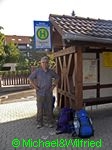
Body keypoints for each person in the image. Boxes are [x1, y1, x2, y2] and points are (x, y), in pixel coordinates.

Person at [28, 56, 59, 128]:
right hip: (40, 93)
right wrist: (35, 87)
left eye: (46, 62)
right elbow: (30, 78)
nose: (45, 64)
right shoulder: (37, 71)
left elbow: (57, 78)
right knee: (40, 108)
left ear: (48, 63)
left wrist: (53, 86)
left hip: (49, 93)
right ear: (41, 63)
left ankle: (50, 122)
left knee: (49, 108)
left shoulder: (51, 72)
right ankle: (39, 122)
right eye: (43, 62)